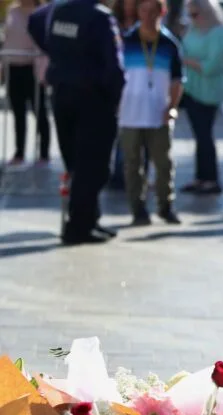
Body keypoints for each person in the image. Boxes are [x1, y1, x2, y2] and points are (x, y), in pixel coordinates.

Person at [29, 0, 126, 245]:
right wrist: (116, 97)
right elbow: (114, 64)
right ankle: (78, 228)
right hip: (93, 99)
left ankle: (89, 220)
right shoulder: (101, 17)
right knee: (94, 168)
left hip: (63, 93)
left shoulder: (59, 10)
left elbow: (35, 21)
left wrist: (57, 55)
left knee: (77, 164)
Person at [119, 0, 184, 226]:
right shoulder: (126, 41)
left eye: (153, 11)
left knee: (163, 163)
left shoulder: (169, 44)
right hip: (130, 113)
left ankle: (165, 206)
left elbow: (177, 80)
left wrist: (172, 106)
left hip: (159, 113)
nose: (147, 16)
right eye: (143, 11)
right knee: (132, 163)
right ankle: (138, 210)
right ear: (137, 12)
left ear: (162, 12)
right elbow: (116, 75)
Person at [179, 0, 223, 195]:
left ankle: (211, 179)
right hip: (190, 89)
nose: (193, 18)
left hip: (207, 92)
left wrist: (187, 61)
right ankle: (201, 177)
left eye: (196, 14)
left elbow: (210, 67)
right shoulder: (192, 30)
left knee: (204, 136)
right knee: (199, 137)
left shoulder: (218, 34)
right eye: (190, 15)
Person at [3, 0, 51, 168]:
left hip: (33, 68)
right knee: (17, 112)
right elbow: (8, 37)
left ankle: (44, 153)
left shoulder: (42, 12)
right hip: (13, 67)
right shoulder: (12, 10)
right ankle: (19, 152)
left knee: (40, 112)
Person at [109, 0, 141, 191]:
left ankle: (131, 173)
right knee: (115, 131)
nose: (128, 7)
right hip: (116, 84)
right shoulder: (111, 23)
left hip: (137, 84)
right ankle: (117, 172)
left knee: (134, 132)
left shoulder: (144, 26)